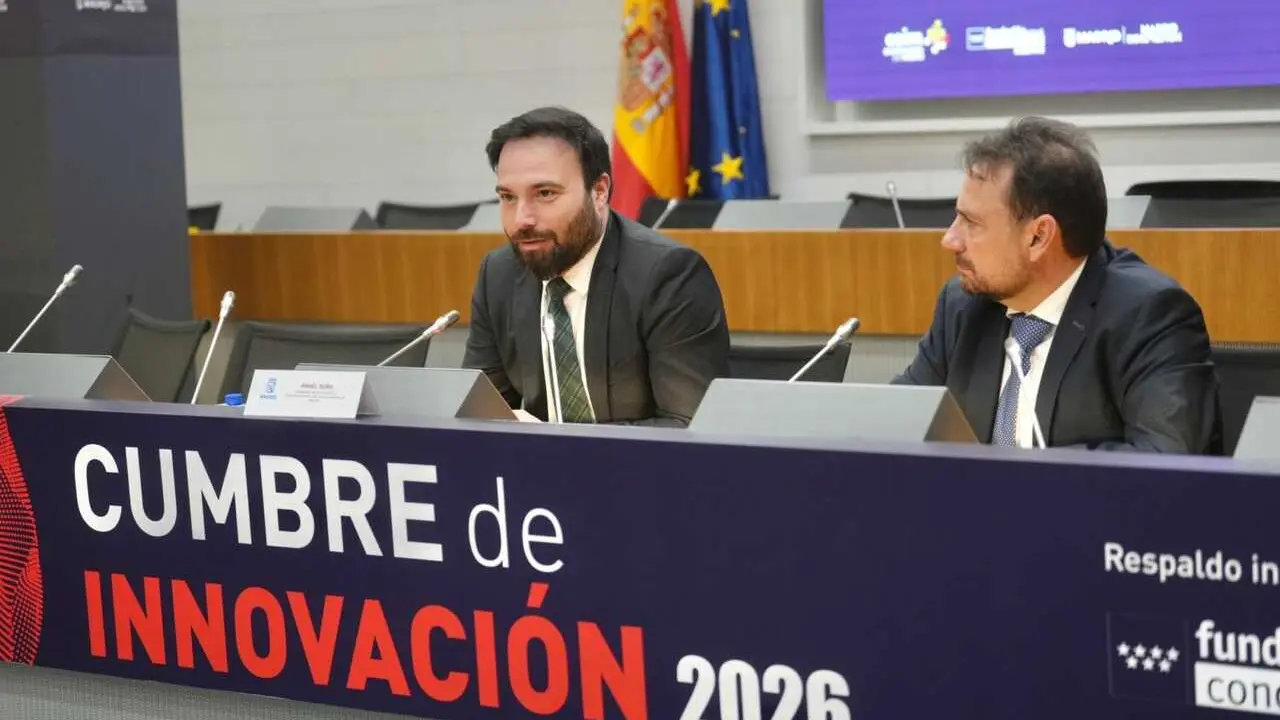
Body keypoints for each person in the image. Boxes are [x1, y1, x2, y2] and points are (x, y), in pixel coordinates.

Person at [894, 116, 1221, 454]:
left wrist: (1024, 479)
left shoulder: (1149, 316)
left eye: (971, 223)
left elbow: (1165, 463)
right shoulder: (962, 305)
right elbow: (895, 426)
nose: (950, 240)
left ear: (1038, 236)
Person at [463, 106, 730, 427]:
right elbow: (477, 413)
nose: (522, 220)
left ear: (600, 191)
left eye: (545, 193)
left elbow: (687, 428)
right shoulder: (499, 274)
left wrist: (554, 445)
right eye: (507, 197)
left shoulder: (667, 274)